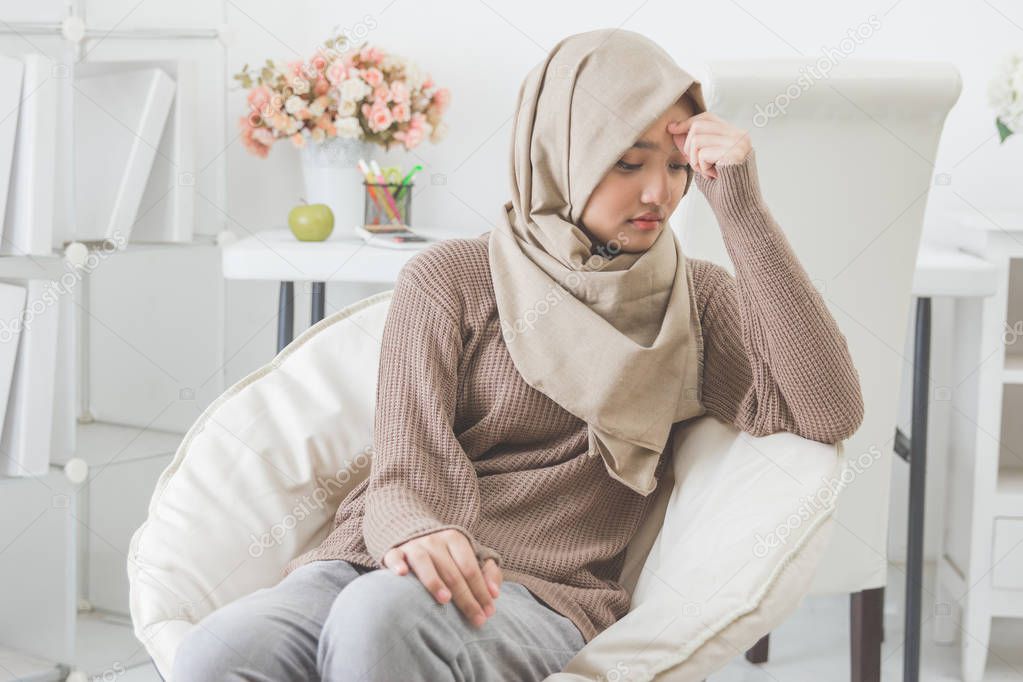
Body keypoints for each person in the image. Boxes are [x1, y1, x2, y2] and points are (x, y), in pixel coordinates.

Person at [172, 27, 864, 682]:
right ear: (560, 151)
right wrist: (418, 533)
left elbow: (826, 409)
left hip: (536, 595)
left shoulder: (694, 303)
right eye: (627, 163)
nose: (659, 192)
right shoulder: (450, 279)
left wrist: (739, 209)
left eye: (678, 166)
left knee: (381, 618)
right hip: (372, 558)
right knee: (219, 650)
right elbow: (403, 461)